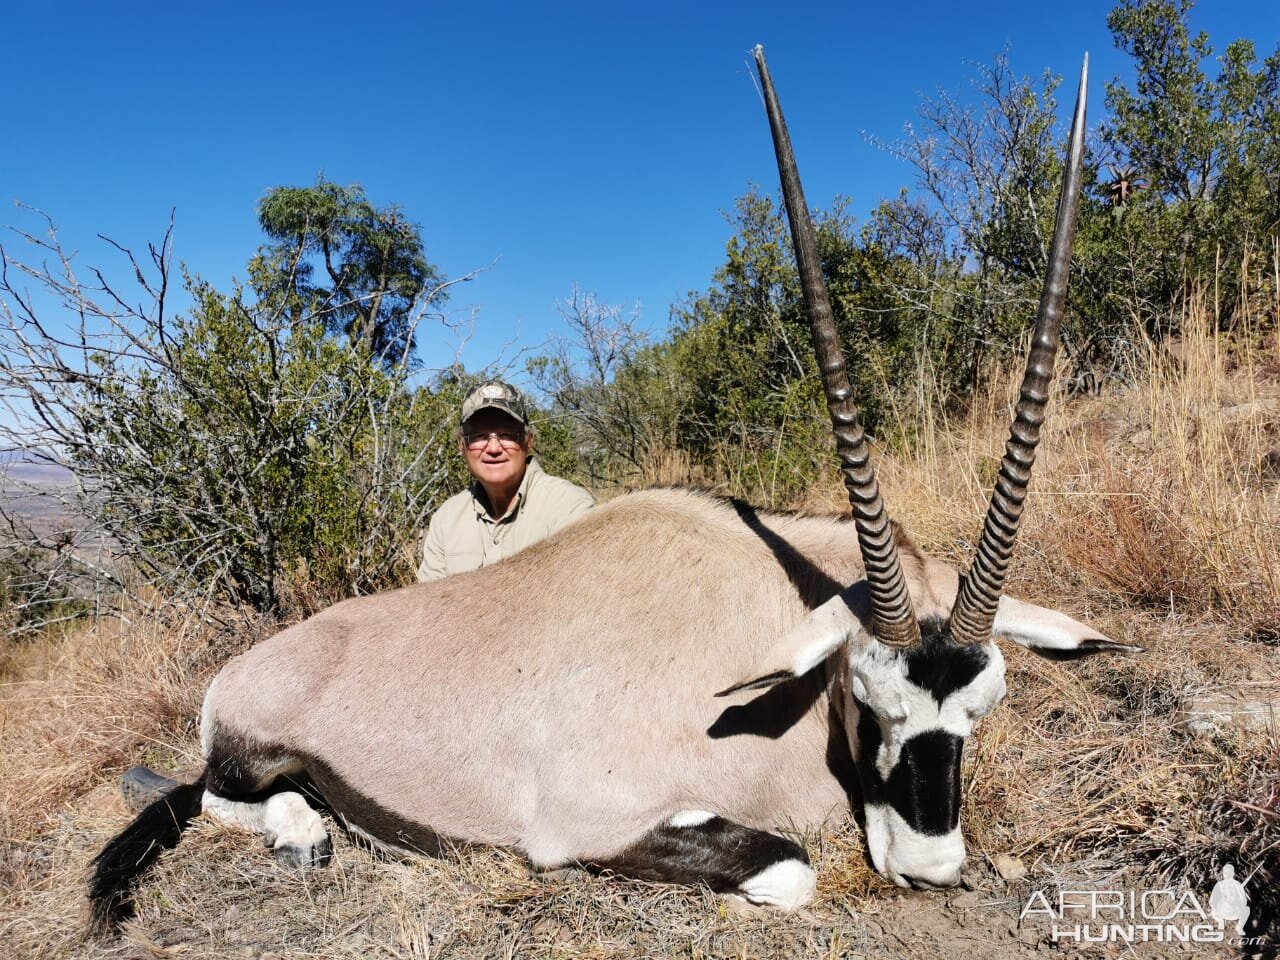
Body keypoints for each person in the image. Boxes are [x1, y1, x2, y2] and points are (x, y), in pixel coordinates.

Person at [417, 380, 595, 581]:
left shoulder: (569, 508)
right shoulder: (446, 519)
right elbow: (428, 605)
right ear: (461, 446)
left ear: (528, 442)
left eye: (507, 435)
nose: (493, 448)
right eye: (478, 436)